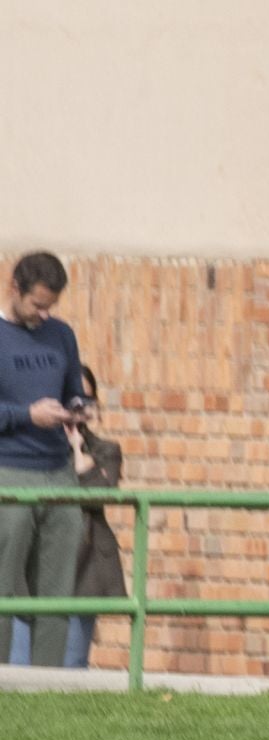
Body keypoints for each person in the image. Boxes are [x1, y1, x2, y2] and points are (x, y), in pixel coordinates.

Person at [0, 251, 88, 668]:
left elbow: (76, 387)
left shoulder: (61, 335)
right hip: (8, 472)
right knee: (3, 586)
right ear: (13, 288)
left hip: (58, 474)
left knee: (56, 591)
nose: (43, 314)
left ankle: (49, 685)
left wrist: (78, 407)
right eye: (37, 304)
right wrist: (26, 415)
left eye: (51, 306)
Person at [8, 365, 122, 668]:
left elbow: (100, 492)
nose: (78, 407)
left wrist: (76, 448)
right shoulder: (25, 449)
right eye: (71, 399)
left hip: (80, 572)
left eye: (86, 400)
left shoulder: (105, 450)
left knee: (69, 669)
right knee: (18, 668)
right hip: (27, 571)